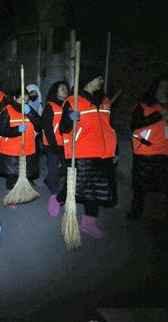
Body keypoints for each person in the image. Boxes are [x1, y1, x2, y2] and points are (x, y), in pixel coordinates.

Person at [52, 67, 117, 238]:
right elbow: (63, 128)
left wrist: (114, 148)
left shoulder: (104, 100)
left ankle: (88, 223)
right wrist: (69, 118)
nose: (101, 81)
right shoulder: (73, 102)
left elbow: (109, 126)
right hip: (82, 152)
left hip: (103, 153)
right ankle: (59, 199)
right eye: (99, 77)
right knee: (76, 187)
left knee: (95, 191)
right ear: (89, 80)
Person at [128, 77, 168, 220]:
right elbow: (135, 124)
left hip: (167, 153)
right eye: (162, 87)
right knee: (140, 187)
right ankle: (136, 213)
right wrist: (159, 115)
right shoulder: (143, 105)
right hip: (146, 153)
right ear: (154, 89)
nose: (165, 91)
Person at [0, 88, 41, 192]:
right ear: (15, 98)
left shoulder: (29, 109)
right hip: (12, 150)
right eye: (22, 95)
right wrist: (17, 130)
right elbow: (2, 130)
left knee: (26, 172)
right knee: (12, 175)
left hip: (28, 148)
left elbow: (39, 125)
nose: (25, 97)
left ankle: (23, 189)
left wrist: (30, 113)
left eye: (26, 95)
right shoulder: (8, 110)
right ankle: (11, 194)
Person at [42, 81, 69, 216]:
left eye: (66, 88)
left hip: (66, 143)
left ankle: (50, 179)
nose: (64, 90)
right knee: (53, 167)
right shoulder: (50, 106)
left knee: (66, 168)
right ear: (55, 91)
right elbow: (46, 127)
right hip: (52, 144)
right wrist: (53, 144)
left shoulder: (68, 105)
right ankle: (54, 194)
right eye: (61, 88)